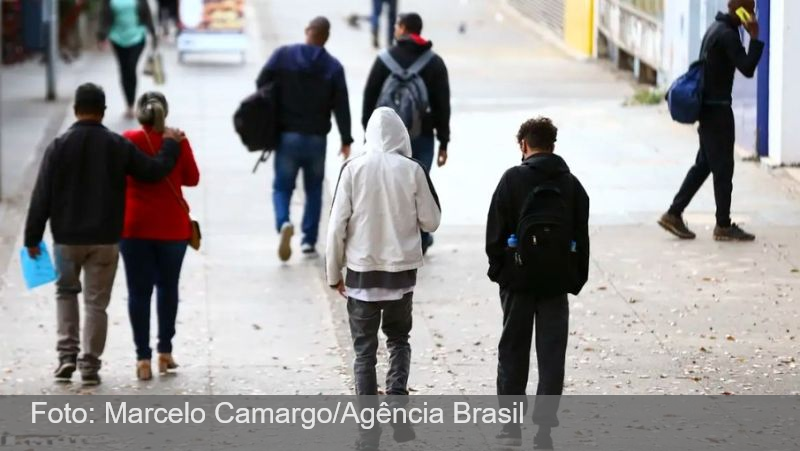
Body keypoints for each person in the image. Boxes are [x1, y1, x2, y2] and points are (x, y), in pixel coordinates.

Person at [24, 83, 184, 386]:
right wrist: (170, 145)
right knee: (96, 304)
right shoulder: (116, 144)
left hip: (67, 240)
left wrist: (32, 238)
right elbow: (152, 171)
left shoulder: (58, 146)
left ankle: (66, 357)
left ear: (75, 110)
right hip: (106, 239)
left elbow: (41, 195)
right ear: (103, 111)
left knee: (66, 293)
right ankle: (90, 365)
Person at [326, 108, 440, 451]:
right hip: (400, 277)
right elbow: (431, 221)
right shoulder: (413, 170)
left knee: (364, 352)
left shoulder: (353, 169)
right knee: (399, 340)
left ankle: (368, 431)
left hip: (361, 275)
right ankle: (399, 413)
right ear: (401, 136)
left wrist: (334, 273)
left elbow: (336, 227)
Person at [485, 118, 589, 450]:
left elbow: (494, 236)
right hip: (555, 283)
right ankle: (544, 428)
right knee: (551, 353)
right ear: (553, 146)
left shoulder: (511, 180)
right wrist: (573, 279)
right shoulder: (572, 185)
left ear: (524, 146)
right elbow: (581, 238)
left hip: (518, 282)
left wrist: (500, 272)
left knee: (513, 350)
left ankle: (511, 428)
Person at [659, 0, 763, 242]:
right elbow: (747, 67)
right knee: (723, 169)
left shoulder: (715, 28)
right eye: (750, 8)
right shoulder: (727, 35)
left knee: (705, 165)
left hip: (709, 109)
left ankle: (673, 213)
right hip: (717, 111)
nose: (752, 13)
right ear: (740, 9)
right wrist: (755, 38)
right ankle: (723, 225)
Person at [256, 16, 353, 261]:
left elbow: (261, 83)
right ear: (326, 37)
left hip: (287, 136)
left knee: (282, 186)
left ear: (308, 30)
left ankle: (284, 222)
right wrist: (346, 138)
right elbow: (342, 105)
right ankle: (309, 241)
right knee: (313, 190)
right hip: (316, 140)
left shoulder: (283, 56)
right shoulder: (333, 67)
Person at [120, 92, 200, 381]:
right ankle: (165, 352)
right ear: (165, 112)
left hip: (134, 227)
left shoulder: (128, 138)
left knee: (138, 292)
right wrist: (178, 145)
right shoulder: (177, 139)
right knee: (168, 288)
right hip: (171, 229)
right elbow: (192, 178)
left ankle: (142, 359)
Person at [362, 12, 450, 255]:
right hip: (421, 136)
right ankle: (420, 239)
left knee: (387, 187)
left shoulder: (384, 59)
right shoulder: (434, 62)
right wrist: (444, 141)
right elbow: (443, 105)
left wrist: (367, 133)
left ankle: (391, 239)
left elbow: (369, 97)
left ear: (401, 28)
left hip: (385, 139)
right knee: (419, 186)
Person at [97, 0, 158, 119]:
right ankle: (128, 105)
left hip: (137, 36)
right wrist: (101, 37)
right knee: (124, 70)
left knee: (131, 67)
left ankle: (132, 103)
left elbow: (147, 13)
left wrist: (153, 34)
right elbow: (104, 16)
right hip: (117, 37)